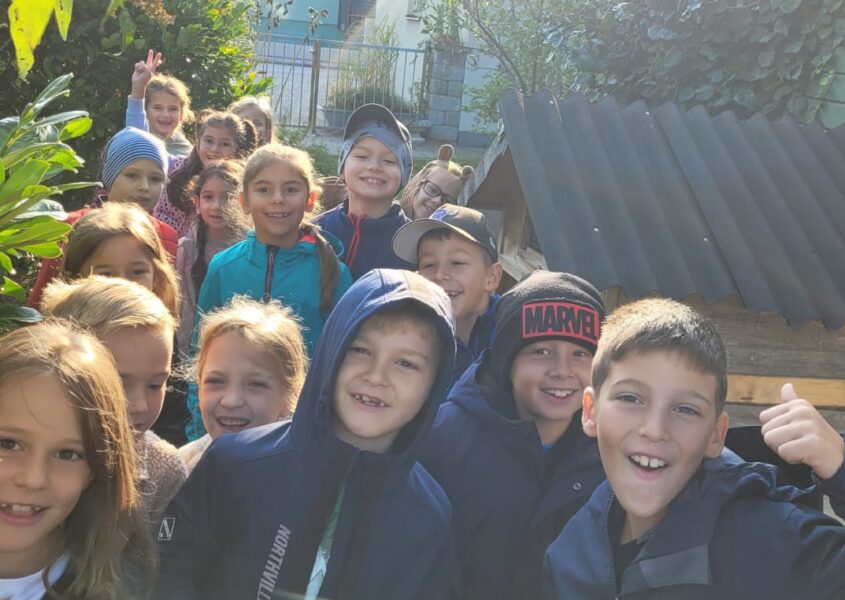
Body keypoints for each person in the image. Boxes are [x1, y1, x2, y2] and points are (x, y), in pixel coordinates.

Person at [544, 298, 845, 599]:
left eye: (686, 409)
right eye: (631, 398)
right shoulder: (571, 549)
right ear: (591, 412)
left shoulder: (781, 543)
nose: (654, 430)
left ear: (715, 436)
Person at [157, 269, 461, 599]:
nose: (376, 376)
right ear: (332, 349)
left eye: (406, 364)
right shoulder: (234, 464)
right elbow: (171, 570)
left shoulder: (429, 516)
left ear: (434, 384)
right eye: (360, 350)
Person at [420, 270, 607, 599]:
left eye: (580, 354)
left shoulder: (612, 455)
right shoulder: (444, 440)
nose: (562, 371)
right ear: (507, 360)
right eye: (541, 351)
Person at [188, 143, 352, 439]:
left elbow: (343, 363)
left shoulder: (334, 274)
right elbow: (200, 353)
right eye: (264, 189)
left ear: (310, 200)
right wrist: (200, 434)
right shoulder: (224, 268)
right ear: (244, 201)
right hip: (228, 425)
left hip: (302, 435)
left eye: (290, 189)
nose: (277, 199)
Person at [0, 320, 154, 599]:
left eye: (68, 454)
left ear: (96, 470)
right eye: (8, 444)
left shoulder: (123, 588)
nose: (33, 478)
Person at [41, 277, 188, 530]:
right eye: (117, 384)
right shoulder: (16, 451)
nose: (140, 406)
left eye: (155, 385)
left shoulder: (164, 470)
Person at [27, 127, 176, 308]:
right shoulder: (69, 226)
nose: (144, 186)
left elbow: (166, 301)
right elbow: (42, 301)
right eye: (132, 175)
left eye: (156, 179)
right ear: (110, 177)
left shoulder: (166, 235)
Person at [179, 296, 307, 472]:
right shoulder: (182, 468)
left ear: (290, 395)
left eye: (256, 384)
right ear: (199, 385)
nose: (231, 401)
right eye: (216, 381)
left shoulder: (304, 475)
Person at [392, 204, 503, 384]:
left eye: (457, 263)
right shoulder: (411, 336)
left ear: (491, 278)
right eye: (428, 265)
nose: (439, 275)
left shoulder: (512, 332)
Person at [315, 104, 414, 279]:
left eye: (389, 161)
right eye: (362, 156)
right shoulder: (316, 232)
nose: (374, 166)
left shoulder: (413, 244)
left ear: (404, 175)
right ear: (342, 167)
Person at [176, 160, 250, 351]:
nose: (217, 206)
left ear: (243, 202)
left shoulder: (252, 250)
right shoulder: (187, 249)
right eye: (208, 197)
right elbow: (184, 312)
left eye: (227, 198)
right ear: (197, 202)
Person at [58, 203, 180, 316]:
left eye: (138, 272)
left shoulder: (161, 331)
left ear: (157, 278)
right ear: (74, 280)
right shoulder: (62, 333)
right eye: (105, 275)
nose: (124, 285)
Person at [155, 110, 258, 237]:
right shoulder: (176, 168)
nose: (215, 149)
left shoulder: (239, 183)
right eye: (209, 141)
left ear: (237, 150)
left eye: (225, 144)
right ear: (198, 144)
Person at [126, 49, 194, 156]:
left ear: (181, 114)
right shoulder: (139, 140)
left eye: (173, 109)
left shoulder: (187, 150)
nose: (165, 115)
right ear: (145, 111)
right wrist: (139, 86)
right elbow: (135, 129)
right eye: (157, 108)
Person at [400, 144, 474, 220]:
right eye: (433, 190)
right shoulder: (392, 217)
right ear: (418, 184)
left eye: (448, 201)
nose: (437, 201)